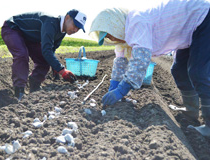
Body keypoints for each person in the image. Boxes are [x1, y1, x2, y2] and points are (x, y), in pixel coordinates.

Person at [89, 0, 210, 137]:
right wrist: (114, 86)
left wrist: (122, 89)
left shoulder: (136, 21)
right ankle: (191, 111)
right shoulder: (124, 37)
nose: (114, 39)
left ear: (115, 24)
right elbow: (120, 62)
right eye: (110, 38)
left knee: (198, 72)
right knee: (179, 70)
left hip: (202, 17)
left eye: (111, 34)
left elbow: (140, 60)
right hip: (189, 30)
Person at [1, 9, 87, 100]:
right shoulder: (51, 22)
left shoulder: (62, 32)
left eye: (78, 28)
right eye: (75, 25)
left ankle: (35, 83)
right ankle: (19, 91)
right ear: (67, 17)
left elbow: (51, 49)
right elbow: (46, 50)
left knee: (44, 60)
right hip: (12, 28)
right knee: (22, 55)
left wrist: (55, 67)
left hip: (29, 37)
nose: (75, 30)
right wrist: (62, 70)